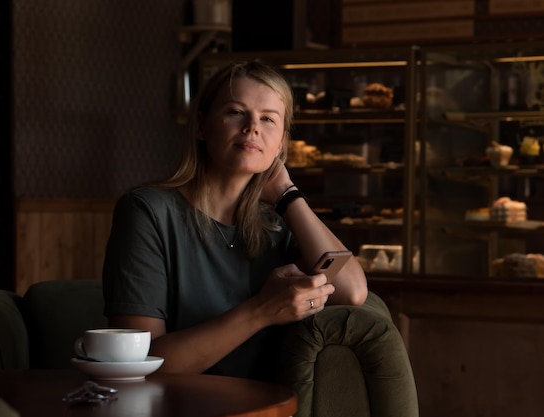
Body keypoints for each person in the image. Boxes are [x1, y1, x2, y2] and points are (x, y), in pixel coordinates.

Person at [102, 60, 367, 380]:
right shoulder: (148, 211)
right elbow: (137, 367)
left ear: (281, 142)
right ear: (201, 126)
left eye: (268, 119)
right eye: (235, 112)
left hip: (270, 409)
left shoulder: (281, 222)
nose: (252, 126)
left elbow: (351, 291)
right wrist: (261, 311)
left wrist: (288, 195)